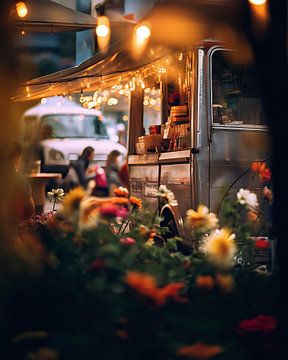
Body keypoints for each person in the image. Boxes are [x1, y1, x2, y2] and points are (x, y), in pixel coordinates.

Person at [5, 140, 35, 223]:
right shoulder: (19, 181)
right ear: (15, 158)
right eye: (21, 158)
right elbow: (29, 210)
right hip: (11, 229)